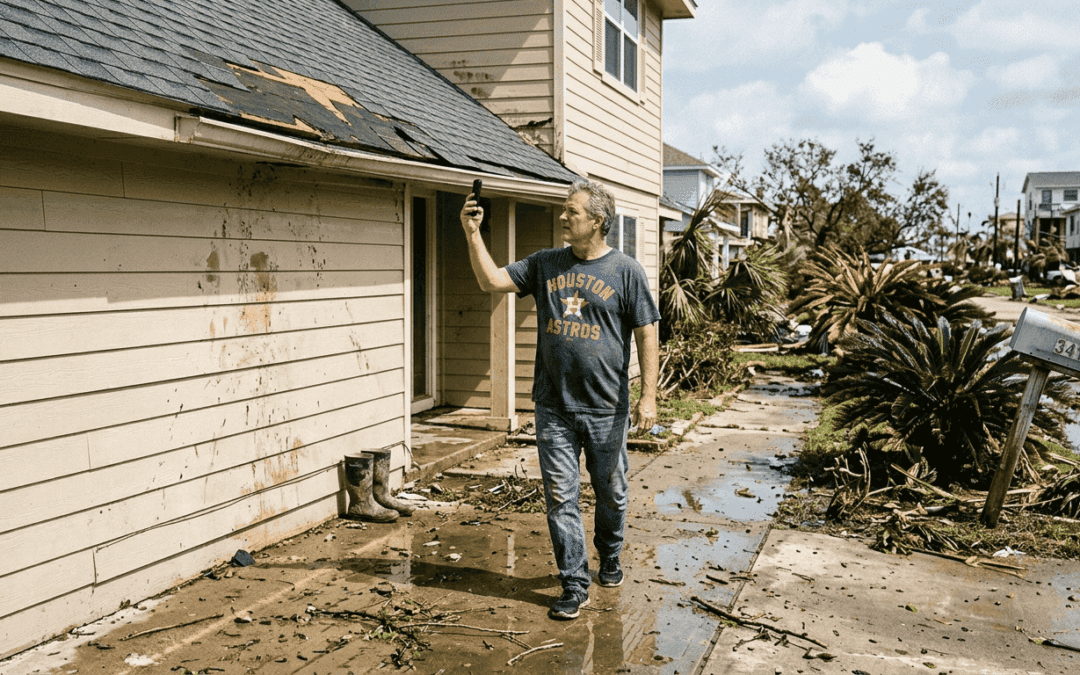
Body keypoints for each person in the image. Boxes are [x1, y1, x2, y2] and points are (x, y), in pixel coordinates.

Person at [459, 180, 659, 620]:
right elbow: (490, 281)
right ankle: (573, 582)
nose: (564, 217)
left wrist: (649, 397)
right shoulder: (545, 263)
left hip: (608, 407)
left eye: (572, 212)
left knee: (611, 494)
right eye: (565, 211)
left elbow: (646, 330)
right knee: (561, 498)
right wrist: (473, 232)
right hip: (554, 407)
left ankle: (609, 556)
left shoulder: (626, 271)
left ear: (598, 221)